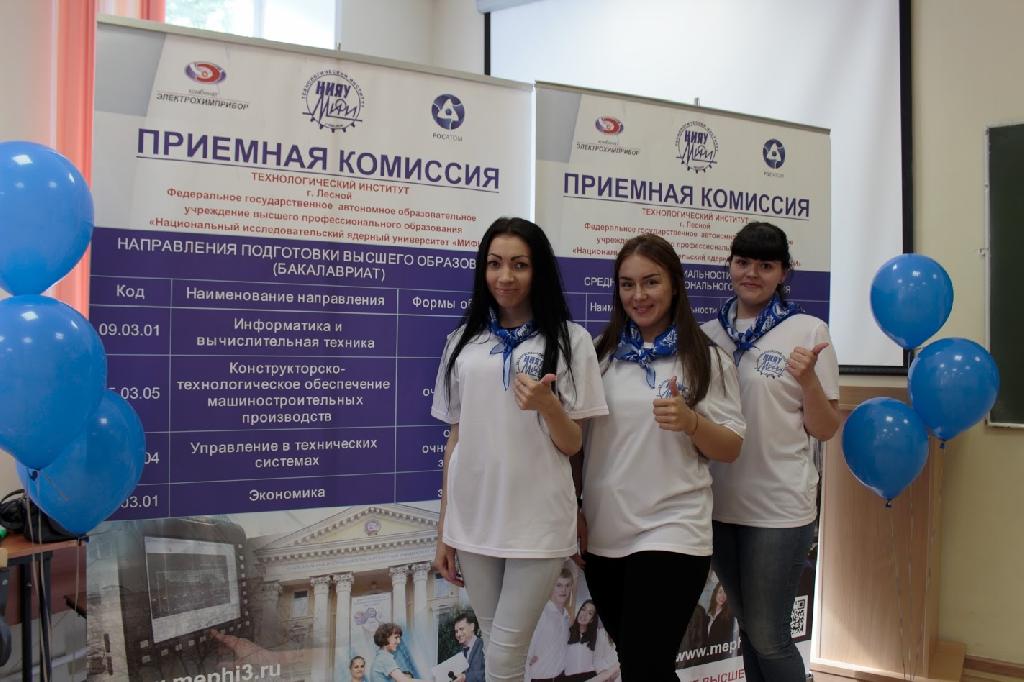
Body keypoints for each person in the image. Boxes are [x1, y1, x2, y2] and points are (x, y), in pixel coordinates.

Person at [431, 217, 608, 682]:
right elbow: (455, 440)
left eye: (519, 265)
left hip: (538, 521)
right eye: (494, 264)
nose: (505, 276)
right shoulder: (462, 343)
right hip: (474, 519)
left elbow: (573, 444)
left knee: (506, 654)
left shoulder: (570, 340)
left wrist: (548, 406)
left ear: (538, 271)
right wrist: (445, 528)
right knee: (497, 648)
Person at [580, 234, 745, 681]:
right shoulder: (600, 354)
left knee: (646, 663)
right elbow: (578, 444)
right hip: (606, 532)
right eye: (627, 284)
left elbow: (731, 447)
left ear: (674, 285)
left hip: (674, 527)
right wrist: (575, 510)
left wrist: (691, 422)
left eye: (651, 282)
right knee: (641, 666)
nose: (638, 295)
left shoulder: (705, 358)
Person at [701, 222, 840, 682]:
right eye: (743, 262)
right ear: (729, 265)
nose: (752, 273)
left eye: (765, 265)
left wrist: (809, 381)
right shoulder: (708, 335)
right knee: (749, 630)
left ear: (784, 272)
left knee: (770, 636)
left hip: (778, 508)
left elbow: (825, 428)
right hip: (719, 506)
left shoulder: (807, 330)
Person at [525, 567, 572, 682]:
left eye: (567, 585)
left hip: (560, 677)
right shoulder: (540, 614)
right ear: (551, 587)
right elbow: (525, 650)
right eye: (559, 585)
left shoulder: (566, 617)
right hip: (539, 679)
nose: (564, 590)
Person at [562, 600, 620, 682]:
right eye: (583, 609)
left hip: (591, 677)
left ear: (592, 620)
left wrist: (608, 672)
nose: (584, 614)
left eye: (590, 613)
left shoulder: (598, 634)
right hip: (568, 678)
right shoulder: (566, 632)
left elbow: (608, 655)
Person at [702, 582, 737, 664]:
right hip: (704, 659)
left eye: (725, 593)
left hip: (718, 660)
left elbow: (727, 642)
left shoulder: (729, 616)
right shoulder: (708, 614)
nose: (723, 596)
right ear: (715, 593)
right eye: (720, 592)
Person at [454, 613, 485, 682]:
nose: (458, 634)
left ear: (472, 627)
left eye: (461, 629)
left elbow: (487, 674)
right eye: (456, 631)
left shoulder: (484, 646)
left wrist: (465, 677)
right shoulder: (460, 652)